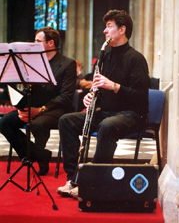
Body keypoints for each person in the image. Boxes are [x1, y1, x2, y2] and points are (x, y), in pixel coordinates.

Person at [56, 10, 150, 197]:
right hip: (106, 111)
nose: (105, 31)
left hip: (132, 114)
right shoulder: (104, 56)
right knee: (66, 120)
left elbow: (140, 97)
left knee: (107, 126)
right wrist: (91, 96)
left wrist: (114, 86)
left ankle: (93, 181)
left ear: (122, 30)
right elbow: (98, 88)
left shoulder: (136, 58)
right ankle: (73, 179)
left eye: (109, 26)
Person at [0, 27, 76, 176]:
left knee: (38, 124)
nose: (34, 44)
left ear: (50, 43)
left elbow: (66, 96)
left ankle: (36, 157)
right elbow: (31, 90)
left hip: (57, 109)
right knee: (4, 123)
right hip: (34, 106)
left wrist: (41, 109)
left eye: (38, 41)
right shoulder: (32, 62)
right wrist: (24, 107)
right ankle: (39, 155)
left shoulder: (68, 64)